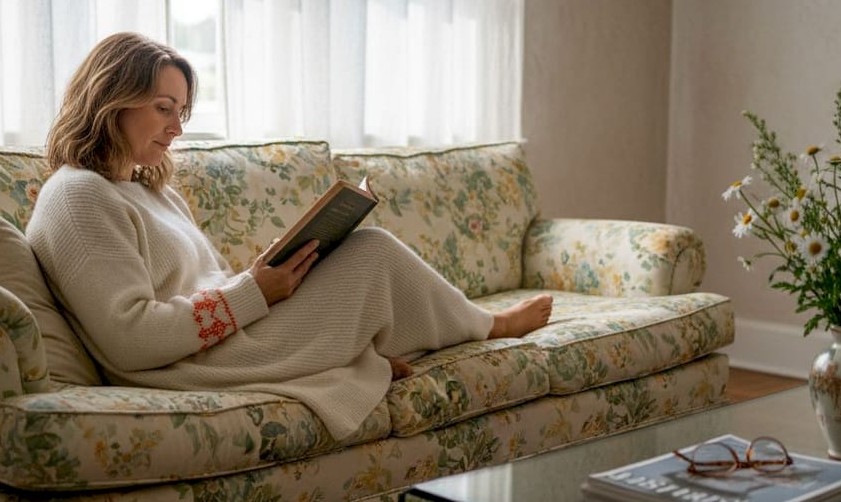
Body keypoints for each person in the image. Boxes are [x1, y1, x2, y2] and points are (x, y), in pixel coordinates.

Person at [27, 32, 553, 440]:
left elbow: (203, 284)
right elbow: (131, 336)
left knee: (346, 251)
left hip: (219, 339)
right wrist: (255, 291)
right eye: (163, 108)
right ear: (111, 99)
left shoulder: (151, 191)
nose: (176, 128)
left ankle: (352, 358)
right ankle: (489, 326)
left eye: (180, 112)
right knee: (373, 255)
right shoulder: (77, 196)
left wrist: (263, 277)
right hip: (184, 364)